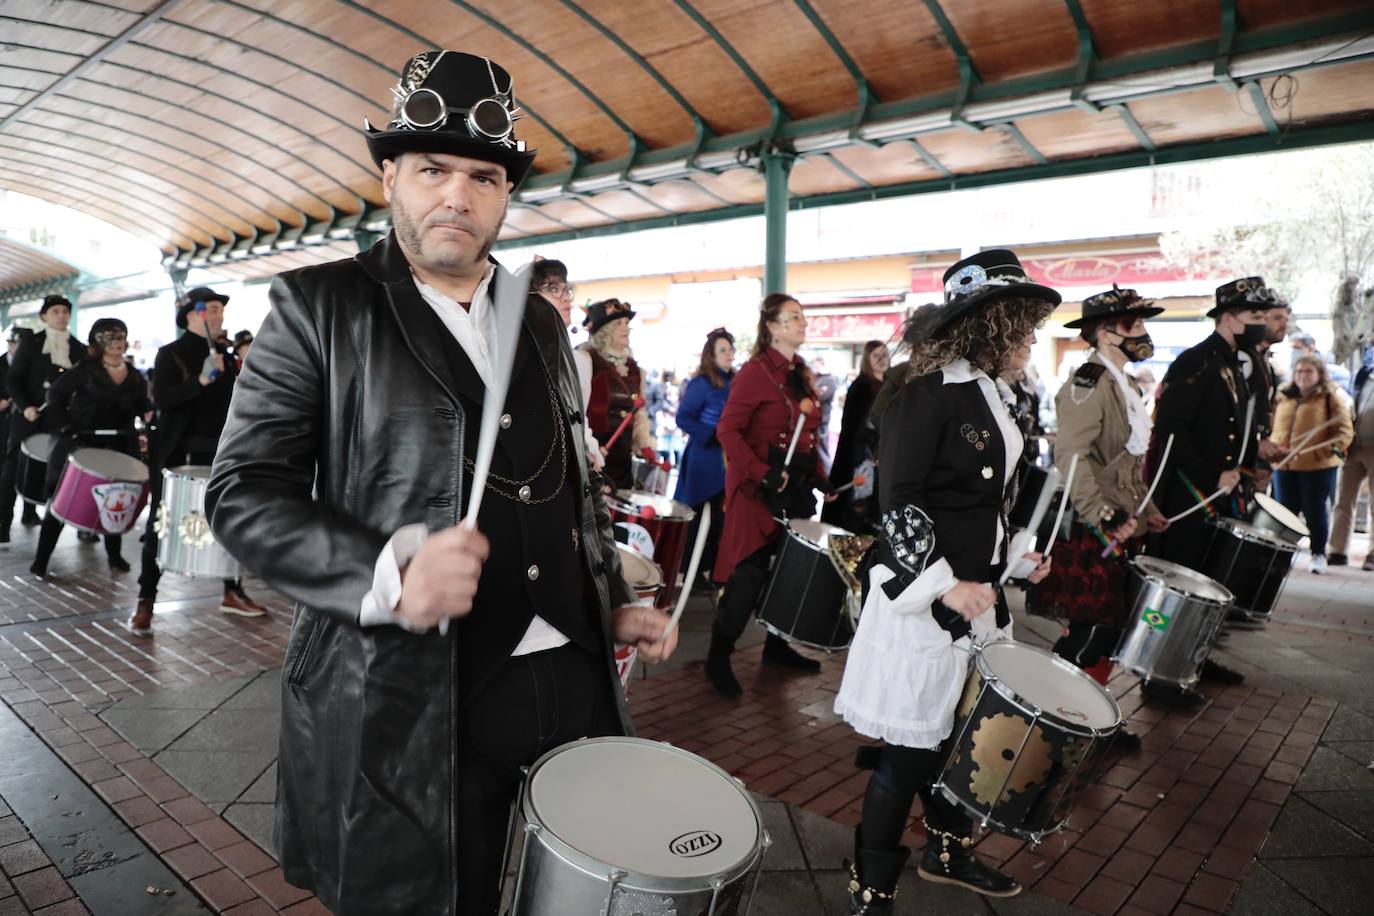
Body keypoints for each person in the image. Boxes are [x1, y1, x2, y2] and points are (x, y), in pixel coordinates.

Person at [205, 50, 678, 916]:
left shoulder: (536, 318)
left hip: (566, 680)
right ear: (390, 175)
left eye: (483, 176)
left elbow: (566, 485)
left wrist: (601, 596)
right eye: (432, 169)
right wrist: (387, 572)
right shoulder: (319, 308)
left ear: (505, 192)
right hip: (410, 696)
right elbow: (242, 493)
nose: (456, 195)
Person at [833, 250, 1057, 910]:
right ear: (990, 325)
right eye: (1023, 327)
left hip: (980, 600)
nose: (1032, 339)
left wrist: (1014, 557)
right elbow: (898, 502)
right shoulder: (923, 393)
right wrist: (944, 586)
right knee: (906, 755)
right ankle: (870, 888)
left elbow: (986, 503)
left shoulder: (998, 393)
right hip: (925, 602)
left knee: (961, 742)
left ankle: (947, 851)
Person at [1026, 286, 1168, 734]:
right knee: (1091, 631)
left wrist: (1149, 511)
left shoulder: (1121, 381)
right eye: (1132, 323)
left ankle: (1088, 716)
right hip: (1095, 525)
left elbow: (1125, 464)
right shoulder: (1088, 381)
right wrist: (1104, 517)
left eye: (1143, 321)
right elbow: (1070, 456)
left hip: (1122, 522)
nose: (1141, 331)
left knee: (1108, 629)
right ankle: (1055, 716)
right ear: (1104, 333)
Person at [1145, 277, 1273, 699]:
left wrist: (1248, 465)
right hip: (1190, 493)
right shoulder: (1196, 361)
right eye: (1255, 316)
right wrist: (1211, 475)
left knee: (1212, 580)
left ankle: (1193, 659)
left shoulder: (1238, 361)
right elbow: (1171, 430)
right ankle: (1160, 676)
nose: (1262, 323)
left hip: (1224, 491)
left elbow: (1238, 429)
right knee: (1184, 582)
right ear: (1230, 317)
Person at [707, 293, 834, 697]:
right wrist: (761, 473)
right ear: (773, 327)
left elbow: (808, 435)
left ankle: (776, 649)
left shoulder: (801, 371)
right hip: (755, 491)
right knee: (748, 576)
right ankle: (717, 658)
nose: (803, 323)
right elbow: (727, 431)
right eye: (794, 318)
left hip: (792, 487)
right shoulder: (753, 373)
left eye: (802, 316)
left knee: (789, 574)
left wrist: (819, 477)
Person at [128, 288, 268, 635]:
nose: (220, 316)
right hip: (178, 454)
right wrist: (200, 380)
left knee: (229, 521)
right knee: (159, 527)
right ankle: (146, 600)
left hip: (222, 451)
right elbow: (163, 398)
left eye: (222, 309)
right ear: (193, 314)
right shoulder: (170, 354)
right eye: (214, 309)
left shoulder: (225, 353)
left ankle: (232, 591)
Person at [29, 319, 147, 577]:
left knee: (115, 499)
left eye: (121, 336)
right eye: (111, 337)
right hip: (80, 443)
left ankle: (114, 557)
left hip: (117, 445)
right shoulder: (84, 370)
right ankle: (41, 560)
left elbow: (142, 404)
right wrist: (65, 425)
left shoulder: (134, 374)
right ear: (98, 342)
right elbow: (55, 396)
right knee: (61, 501)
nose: (117, 343)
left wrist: (149, 415)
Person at [0, 295, 83, 541]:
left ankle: (79, 527)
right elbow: (13, 380)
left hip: (62, 422)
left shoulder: (79, 349)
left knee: (65, 472)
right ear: (45, 316)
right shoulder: (32, 343)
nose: (61, 315)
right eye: (55, 311)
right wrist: (25, 406)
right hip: (29, 418)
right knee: (12, 470)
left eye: (65, 311)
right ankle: (3, 524)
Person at [1271, 355, 1354, 573]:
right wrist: (1274, 448)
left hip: (1316, 467)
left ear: (1319, 374)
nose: (1303, 376)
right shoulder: (1283, 396)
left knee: (1314, 511)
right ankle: (1283, 555)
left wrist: (1322, 451)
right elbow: (1272, 427)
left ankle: (1318, 553)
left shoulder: (1329, 398)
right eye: (1299, 371)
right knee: (1284, 512)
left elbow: (1344, 432)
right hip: (1284, 465)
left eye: (1308, 371)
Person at [674, 327, 735, 586]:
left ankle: (713, 570)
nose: (729, 354)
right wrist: (710, 435)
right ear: (711, 355)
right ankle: (691, 572)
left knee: (720, 520)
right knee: (696, 519)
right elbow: (683, 417)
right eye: (723, 350)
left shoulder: (737, 380)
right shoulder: (701, 383)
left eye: (731, 349)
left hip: (727, 460)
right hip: (704, 459)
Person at [581, 298, 658, 490]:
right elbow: (577, 409)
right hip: (594, 456)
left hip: (622, 460)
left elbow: (638, 412)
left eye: (627, 323)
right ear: (604, 331)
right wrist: (587, 448)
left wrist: (644, 443)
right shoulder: (587, 360)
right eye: (618, 323)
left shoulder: (633, 367)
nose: (626, 328)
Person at [822, 340, 888, 533]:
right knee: (857, 510)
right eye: (876, 355)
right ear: (867, 359)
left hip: (882, 458)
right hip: (860, 458)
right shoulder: (860, 387)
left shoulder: (892, 386)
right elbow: (851, 428)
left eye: (884, 355)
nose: (882, 359)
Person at [1330, 355, 1374, 569]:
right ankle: (1337, 550)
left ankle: (1373, 555)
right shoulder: (1364, 373)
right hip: (1354, 446)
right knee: (1343, 501)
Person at [813, 355, 839, 469]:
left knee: (822, 449)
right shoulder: (815, 378)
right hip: (814, 418)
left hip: (822, 419)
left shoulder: (829, 380)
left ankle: (827, 473)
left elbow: (820, 396)